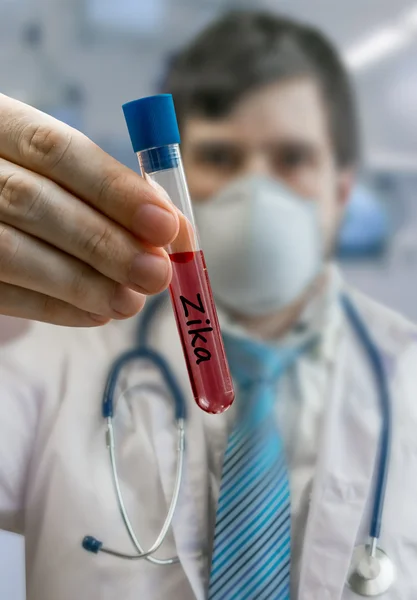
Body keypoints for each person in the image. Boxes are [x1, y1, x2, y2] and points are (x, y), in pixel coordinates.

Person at [0, 10, 417, 600]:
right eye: (221, 158)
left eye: (292, 158)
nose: (256, 192)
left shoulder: (408, 375)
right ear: (171, 178)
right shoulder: (57, 360)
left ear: (342, 190)